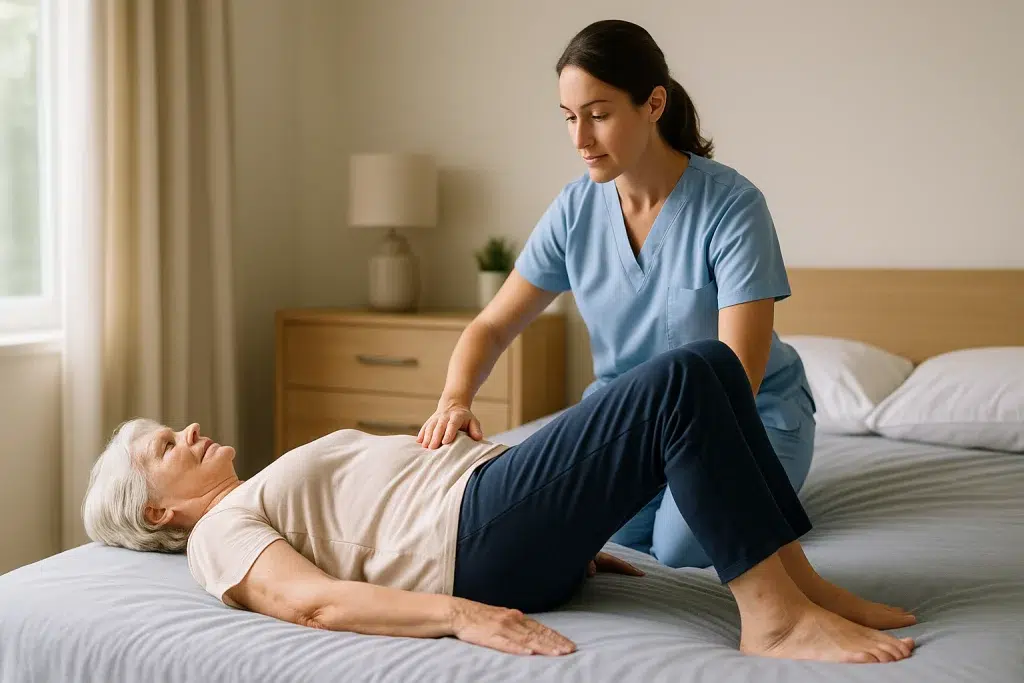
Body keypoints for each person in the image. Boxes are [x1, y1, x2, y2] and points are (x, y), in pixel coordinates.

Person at [83, 341, 915, 663]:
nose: (185, 429)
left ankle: (799, 584)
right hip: (476, 536)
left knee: (720, 370)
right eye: (165, 447)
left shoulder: (248, 493)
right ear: (160, 511)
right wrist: (457, 615)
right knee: (684, 374)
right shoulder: (219, 533)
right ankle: (770, 618)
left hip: (499, 513)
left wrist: (570, 533)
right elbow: (310, 601)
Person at [418, 19, 817, 571]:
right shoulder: (575, 210)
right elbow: (490, 327)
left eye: (599, 115)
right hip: (627, 422)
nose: (580, 139)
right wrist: (455, 401)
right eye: (568, 118)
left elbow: (737, 380)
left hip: (745, 417)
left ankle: (776, 485)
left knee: (680, 551)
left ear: (653, 104)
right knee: (597, 539)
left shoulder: (731, 207)